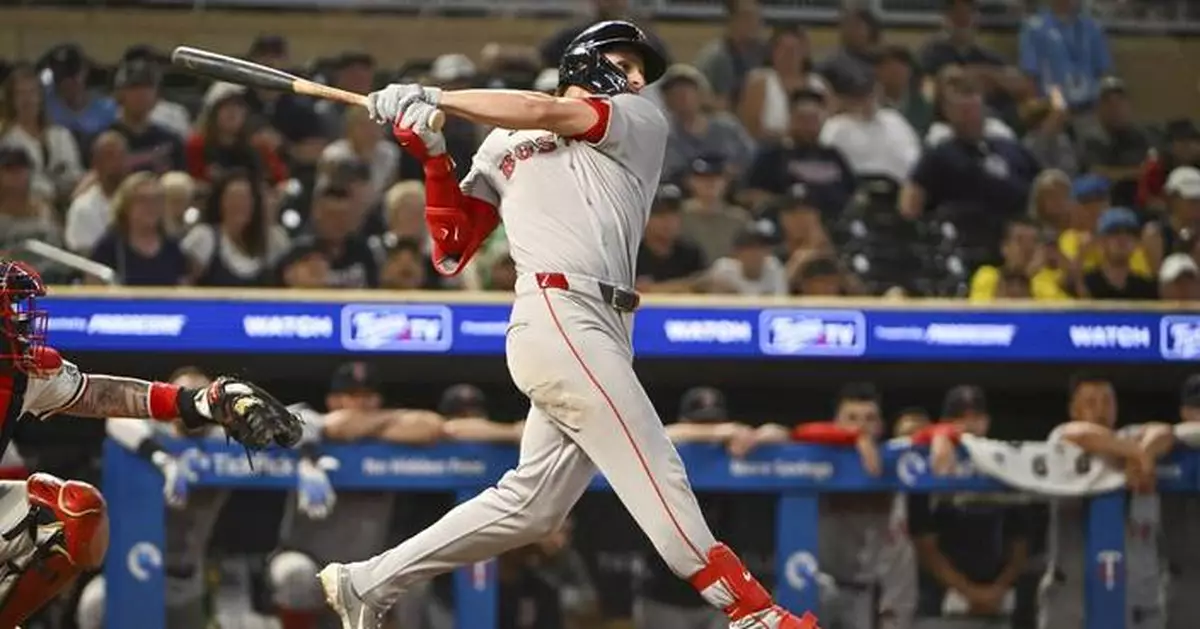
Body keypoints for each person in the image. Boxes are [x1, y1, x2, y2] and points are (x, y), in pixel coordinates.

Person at [326, 20, 819, 629]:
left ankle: (367, 582)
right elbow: (452, 249)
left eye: (643, 70)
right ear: (587, 59)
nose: (637, 78)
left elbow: (544, 110)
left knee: (533, 507)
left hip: (606, 322)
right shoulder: (501, 142)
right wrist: (430, 156)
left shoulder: (638, 121)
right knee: (654, 461)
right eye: (627, 62)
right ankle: (753, 613)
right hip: (556, 311)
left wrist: (435, 97)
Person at [0, 258, 299, 627]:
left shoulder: (23, 373)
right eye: (5, 312)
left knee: (74, 513)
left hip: (188, 574)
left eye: (12, 311)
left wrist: (195, 401)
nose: (15, 323)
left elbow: (97, 394)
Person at [77, 366, 233, 629]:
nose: (195, 408)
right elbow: (115, 420)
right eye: (188, 397)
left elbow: (290, 435)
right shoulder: (156, 435)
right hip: (133, 567)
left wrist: (309, 461)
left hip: (185, 578)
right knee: (95, 601)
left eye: (202, 398)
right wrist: (163, 460)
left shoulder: (225, 443)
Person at [1037, 374, 1169, 629]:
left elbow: (1165, 432)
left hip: (1138, 601)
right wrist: (1137, 454)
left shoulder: (1129, 437)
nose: (1100, 409)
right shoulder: (1063, 443)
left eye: (1107, 401)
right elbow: (1074, 433)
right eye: (1091, 402)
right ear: (1074, 409)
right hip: (1073, 602)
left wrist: (1146, 452)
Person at [908, 386, 1030, 629]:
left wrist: (995, 591)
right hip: (941, 600)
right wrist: (969, 592)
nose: (969, 425)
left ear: (987, 422)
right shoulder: (928, 467)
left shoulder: (1004, 467)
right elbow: (924, 546)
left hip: (997, 600)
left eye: (976, 417)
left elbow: (1020, 544)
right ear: (945, 423)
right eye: (959, 418)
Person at [180, 168, 291, 286]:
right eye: (233, 198)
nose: (239, 205)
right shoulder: (204, 238)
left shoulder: (274, 240)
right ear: (221, 203)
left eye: (244, 199)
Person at [0, 63, 83, 204]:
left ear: (40, 97)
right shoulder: (6, 141)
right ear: (11, 100)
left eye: (32, 92)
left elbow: (74, 173)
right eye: (21, 94)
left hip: (70, 201)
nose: (27, 100)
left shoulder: (61, 135)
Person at [90, 172, 188, 286]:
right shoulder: (109, 246)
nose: (151, 206)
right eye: (143, 200)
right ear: (126, 206)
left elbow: (184, 291)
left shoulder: (172, 246)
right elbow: (93, 293)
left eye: (157, 200)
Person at [737, 26, 826, 142]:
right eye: (784, 49)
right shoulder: (760, 81)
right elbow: (749, 128)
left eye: (795, 50)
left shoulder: (819, 84)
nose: (789, 55)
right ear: (773, 52)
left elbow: (830, 125)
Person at [108, 58, 186, 174]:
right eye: (134, 86)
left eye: (148, 87)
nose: (142, 93)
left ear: (157, 95)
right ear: (119, 93)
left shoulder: (170, 141)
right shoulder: (106, 141)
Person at [693, 0, 767, 111]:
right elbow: (696, 96)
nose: (754, 22)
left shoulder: (765, 54)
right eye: (747, 16)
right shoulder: (712, 57)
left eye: (757, 16)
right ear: (731, 20)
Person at [65, 130, 128, 255]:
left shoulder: (139, 202)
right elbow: (84, 255)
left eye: (121, 156)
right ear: (96, 163)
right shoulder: (83, 207)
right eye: (110, 156)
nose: (117, 162)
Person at [1079, 207, 1159, 300]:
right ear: (1101, 241)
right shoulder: (1087, 283)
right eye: (1114, 232)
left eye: (1129, 233)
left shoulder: (1146, 288)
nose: (1122, 239)